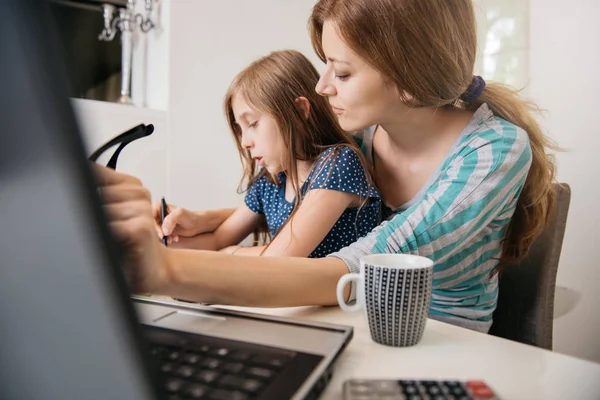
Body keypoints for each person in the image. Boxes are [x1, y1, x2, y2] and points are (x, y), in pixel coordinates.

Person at [95, 0, 557, 332]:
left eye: (342, 72)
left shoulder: (493, 152)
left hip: (440, 342)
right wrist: (207, 220)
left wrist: (166, 269)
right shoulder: (356, 138)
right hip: (347, 319)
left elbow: (358, 267)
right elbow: (305, 209)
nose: (320, 88)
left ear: (410, 82)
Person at [156, 50, 380, 258]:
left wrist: (232, 253)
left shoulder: (338, 163)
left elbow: (280, 258)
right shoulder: (271, 181)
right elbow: (216, 240)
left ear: (300, 112)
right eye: (240, 129)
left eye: (252, 123)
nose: (245, 142)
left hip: (341, 298)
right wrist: (155, 240)